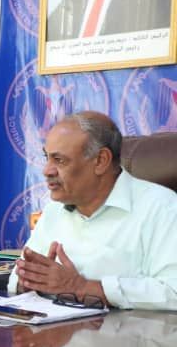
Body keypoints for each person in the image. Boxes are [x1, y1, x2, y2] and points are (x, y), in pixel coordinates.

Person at [9, 111, 177, 311]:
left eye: (59, 160)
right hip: (52, 327)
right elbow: (17, 278)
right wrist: (30, 281)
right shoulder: (54, 209)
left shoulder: (162, 207)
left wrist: (81, 288)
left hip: (127, 330)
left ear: (100, 161)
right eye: (47, 157)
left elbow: (173, 291)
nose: (47, 170)